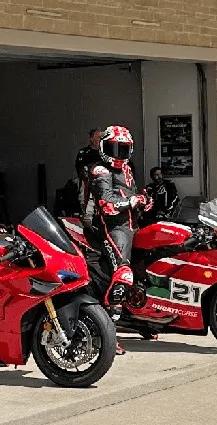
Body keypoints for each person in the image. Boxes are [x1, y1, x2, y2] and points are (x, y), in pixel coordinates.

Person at [85, 125, 149, 353]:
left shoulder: (128, 169)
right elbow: (107, 204)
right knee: (123, 275)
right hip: (112, 228)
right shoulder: (99, 170)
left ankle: (145, 316)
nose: (118, 154)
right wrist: (131, 202)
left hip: (133, 225)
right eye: (113, 148)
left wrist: (144, 200)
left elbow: (132, 193)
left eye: (123, 149)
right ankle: (107, 334)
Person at [75, 128, 104, 224]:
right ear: (91, 138)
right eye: (98, 137)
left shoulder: (105, 153)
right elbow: (80, 169)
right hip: (87, 183)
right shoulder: (84, 152)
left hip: (103, 184)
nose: (101, 139)